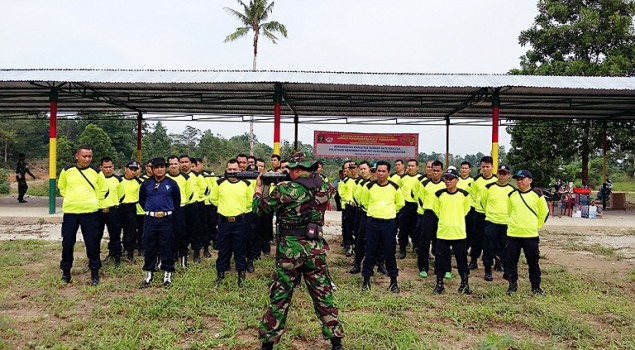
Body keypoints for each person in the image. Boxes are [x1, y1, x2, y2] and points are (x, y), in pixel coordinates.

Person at [253, 152, 344, 350]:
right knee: (323, 295)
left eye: (289, 170)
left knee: (280, 296)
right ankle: (336, 341)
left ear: (295, 169)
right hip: (315, 249)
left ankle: (267, 344)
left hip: (290, 251)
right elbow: (326, 187)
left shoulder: (285, 189)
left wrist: (260, 189)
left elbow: (260, 210)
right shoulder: (325, 188)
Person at [58, 145, 106, 286]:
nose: (87, 159)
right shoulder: (67, 170)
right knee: (67, 242)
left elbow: (102, 189)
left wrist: (93, 201)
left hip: (90, 212)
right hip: (71, 212)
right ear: (77, 156)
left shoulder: (96, 171)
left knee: (92, 243)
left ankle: (95, 273)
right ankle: (66, 272)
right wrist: (71, 198)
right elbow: (62, 187)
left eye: (89, 156)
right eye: (84, 156)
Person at [359, 160, 404, 293]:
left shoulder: (395, 187)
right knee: (370, 251)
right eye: (378, 170)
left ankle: (393, 281)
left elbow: (400, 204)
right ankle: (366, 280)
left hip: (389, 224)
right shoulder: (369, 186)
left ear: (388, 173)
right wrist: (375, 211)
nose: (381, 173)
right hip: (372, 223)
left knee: (390, 252)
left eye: (384, 171)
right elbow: (364, 203)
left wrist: (389, 212)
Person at [210, 159, 253, 288]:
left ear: (239, 170)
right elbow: (213, 199)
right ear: (226, 170)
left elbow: (250, 202)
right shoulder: (219, 183)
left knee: (240, 249)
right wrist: (224, 208)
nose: (232, 172)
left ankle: (241, 274)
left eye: (235, 169)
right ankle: (220, 274)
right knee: (223, 249)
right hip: (224, 222)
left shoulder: (246, 184)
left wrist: (239, 211)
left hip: (240, 222)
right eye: (230, 169)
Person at [138, 157, 181, 288]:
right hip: (150, 219)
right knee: (149, 246)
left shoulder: (172, 183)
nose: (159, 169)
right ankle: (149, 273)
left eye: (162, 166)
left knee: (166, 245)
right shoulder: (146, 184)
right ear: (152, 169)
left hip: (166, 219)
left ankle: (167, 273)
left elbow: (176, 201)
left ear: (165, 168)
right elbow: (142, 200)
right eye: (156, 167)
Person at [506, 169, 549, 295]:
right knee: (511, 262)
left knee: (533, 262)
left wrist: (536, 226)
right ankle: (512, 286)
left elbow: (544, 213)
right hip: (513, 234)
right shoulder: (512, 195)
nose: (519, 182)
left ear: (530, 180)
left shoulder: (537, 195)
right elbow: (509, 212)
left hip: (530, 235)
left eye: (522, 179)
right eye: (517, 179)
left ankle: (536, 287)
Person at [431, 168, 472, 294]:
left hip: (459, 233)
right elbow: (436, 210)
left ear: (457, 180)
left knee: (462, 260)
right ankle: (439, 284)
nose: (448, 181)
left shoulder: (464, 195)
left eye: (451, 179)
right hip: (443, 233)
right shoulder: (439, 194)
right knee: (441, 260)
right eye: (446, 179)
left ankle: (464, 283)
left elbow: (466, 210)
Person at [481, 164, 515, 282]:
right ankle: (487, 270)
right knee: (489, 247)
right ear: (497, 174)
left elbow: (513, 207)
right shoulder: (489, 187)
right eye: (500, 173)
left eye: (504, 173)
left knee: (506, 248)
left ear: (508, 175)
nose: (502, 175)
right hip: (491, 222)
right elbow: (483, 202)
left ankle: (506, 270)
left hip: (506, 223)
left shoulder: (511, 190)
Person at [414, 160, 445, 278]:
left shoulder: (444, 184)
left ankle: (439, 267)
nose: (436, 173)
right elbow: (420, 198)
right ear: (430, 171)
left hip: (441, 215)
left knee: (440, 241)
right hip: (428, 214)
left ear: (442, 171)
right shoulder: (424, 183)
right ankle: (423, 266)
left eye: (438, 171)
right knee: (424, 241)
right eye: (434, 170)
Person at [468, 156, 497, 270]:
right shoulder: (475, 180)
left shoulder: (496, 180)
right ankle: (474, 260)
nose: (485, 169)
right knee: (476, 238)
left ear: (492, 167)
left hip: (492, 214)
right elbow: (472, 196)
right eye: (483, 167)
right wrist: (477, 206)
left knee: (492, 239)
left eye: (487, 167)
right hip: (478, 213)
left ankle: (496, 261)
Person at [97, 157, 123, 263]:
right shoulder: (96, 179)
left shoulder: (118, 180)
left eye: (110, 167)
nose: (108, 169)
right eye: (105, 167)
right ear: (101, 167)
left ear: (113, 167)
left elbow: (121, 196)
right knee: (96, 236)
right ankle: (95, 258)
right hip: (98, 212)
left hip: (113, 211)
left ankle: (116, 256)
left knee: (115, 235)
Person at [397, 159, 423, 259]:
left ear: (417, 167)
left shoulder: (421, 178)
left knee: (417, 228)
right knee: (403, 228)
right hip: (405, 206)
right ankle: (402, 249)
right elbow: (397, 189)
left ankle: (416, 248)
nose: (410, 168)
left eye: (412, 166)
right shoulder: (402, 178)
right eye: (409, 166)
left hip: (417, 206)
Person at [118, 160, 143, 264]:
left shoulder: (138, 182)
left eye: (135, 170)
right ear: (125, 169)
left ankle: (130, 253)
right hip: (119, 207)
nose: (132, 172)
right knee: (116, 231)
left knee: (131, 232)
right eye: (131, 169)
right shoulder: (118, 180)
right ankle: (116, 252)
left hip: (132, 208)